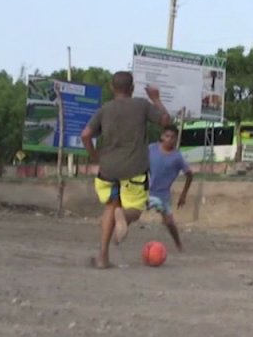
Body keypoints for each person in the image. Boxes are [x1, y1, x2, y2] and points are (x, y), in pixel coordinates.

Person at [79, 72, 171, 269]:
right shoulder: (141, 105)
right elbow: (165, 120)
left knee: (110, 207)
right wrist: (155, 98)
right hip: (134, 168)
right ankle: (125, 216)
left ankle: (102, 258)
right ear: (132, 88)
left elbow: (86, 135)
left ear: (112, 88)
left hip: (108, 169)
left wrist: (97, 158)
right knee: (135, 210)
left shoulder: (104, 109)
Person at [147, 124, 194, 252]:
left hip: (163, 195)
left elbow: (189, 175)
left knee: (169, 222)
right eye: (167, 136)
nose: (169, 139)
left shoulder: (177, 157)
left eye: (173, 137)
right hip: (146, 192)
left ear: (176, 139)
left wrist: (183, 195)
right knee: (132, 212)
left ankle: (179, 244)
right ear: (162, 136)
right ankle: (118, 233)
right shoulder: (152, 149)